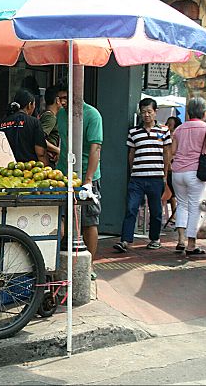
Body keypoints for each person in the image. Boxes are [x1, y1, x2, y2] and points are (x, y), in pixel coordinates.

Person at [114, 98, 172, 253]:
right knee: (131, 208)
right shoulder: (134, 132)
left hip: (156, 177)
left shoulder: (163, 131)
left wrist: (165, 175)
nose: (146, 115)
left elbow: (167, 153)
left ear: (155, 112)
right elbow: (131, 154)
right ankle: (125, 240)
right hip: (137, 178)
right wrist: (133, 170)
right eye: (143, 112)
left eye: (149, 112)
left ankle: (155, 239)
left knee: (156, 210)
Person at [57, 95, 103, 280]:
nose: (62, 102)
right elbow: (63, 141)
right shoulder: (60, 114)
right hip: (63, 176)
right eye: (60, 98)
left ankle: (88, 266)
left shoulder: (92, 115)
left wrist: (88, 180)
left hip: (86, 176)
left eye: (65, 97)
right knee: (62, 219)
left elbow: (96, 148)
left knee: (89, 221)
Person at [171, 97, 206, 256]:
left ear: (189, 113)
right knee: (194, 208)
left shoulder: (179, 129)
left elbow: (173, 151)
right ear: (204, 113)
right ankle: (191, 245)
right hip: (196, 173)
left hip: (177, 173)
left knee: (182, 205)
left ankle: (180, 240)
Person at [0, 88, 48, 166]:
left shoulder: (0, 123)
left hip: (4, 171)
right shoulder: (34, 122)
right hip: (29, 172)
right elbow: (40, 153)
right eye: (34, 104)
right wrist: (48, 169)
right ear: (29, 105)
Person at [40, 84, 67, 167]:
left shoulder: (46, 114)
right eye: (63, 98)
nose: (64, 102)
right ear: (57, 100)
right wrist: (58, 150)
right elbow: (40, 139)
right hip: (48, 161)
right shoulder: (50, 117)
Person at [164, 116, 182, 227]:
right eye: (167, 123)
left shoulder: (175, 136)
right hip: (167, 167)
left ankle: (175, 215)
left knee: (173, 193)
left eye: (170, 124)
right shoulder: (164, 135)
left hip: (173, 168)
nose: (168, 126)